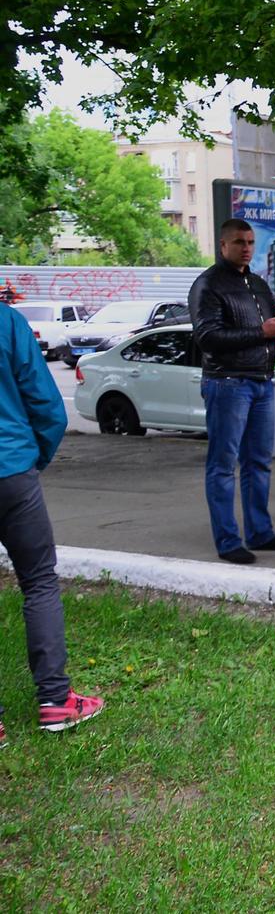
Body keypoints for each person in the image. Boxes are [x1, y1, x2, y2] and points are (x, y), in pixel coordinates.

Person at [0, 303, 106, 746]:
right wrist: (30, 458)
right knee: (39, 580)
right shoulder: (7, 322)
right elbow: (47, 405)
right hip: (11, 470)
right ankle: (56, 700)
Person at [188, 218, 275, 563]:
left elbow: (265, 330)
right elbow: (207, 338)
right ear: (223, 246)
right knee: (223, 466)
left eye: (250, 241)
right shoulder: (208, 285)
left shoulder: (257, 283)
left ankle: (260, 533)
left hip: (260, 381)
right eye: (239, 242)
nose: (247, 247)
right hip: (227, 383)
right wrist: (262, 333)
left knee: (258, 463)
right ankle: (228, 540)